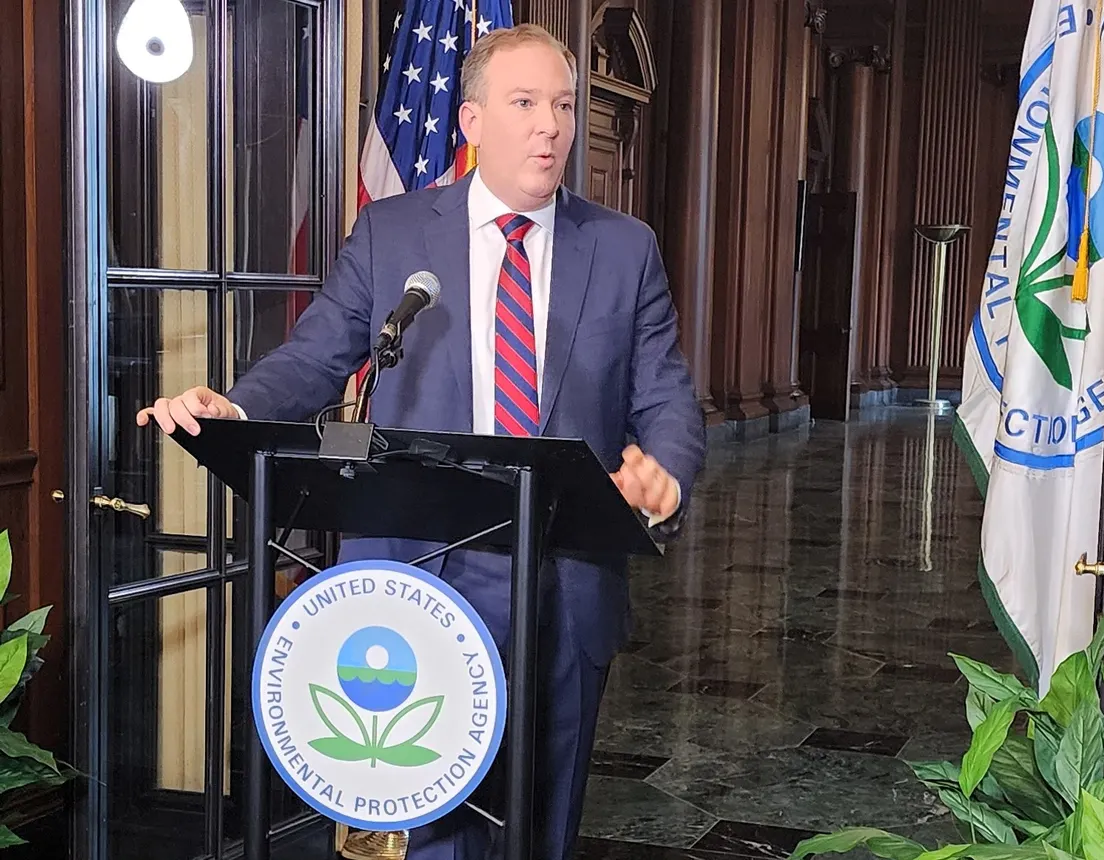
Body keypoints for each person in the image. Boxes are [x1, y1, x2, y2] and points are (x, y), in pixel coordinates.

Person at [135, 23, 705, 860]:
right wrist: (236, 406)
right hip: (418, 573)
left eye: (562, 104)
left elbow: (665, 397)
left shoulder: (624, 248)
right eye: (524, 103)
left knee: (540, 824)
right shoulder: (393, 234)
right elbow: (316, 355)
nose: (550, 126)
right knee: (430, 825)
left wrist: (666, 476)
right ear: (471, 120)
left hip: (564, 577)